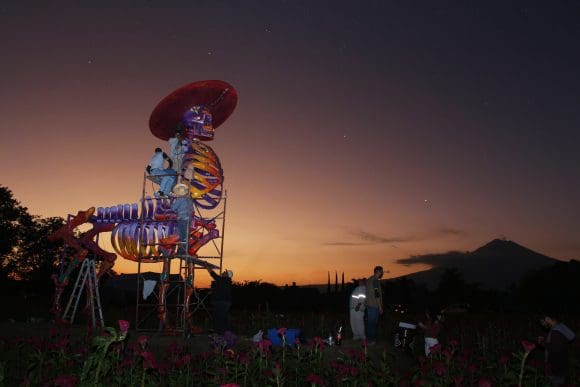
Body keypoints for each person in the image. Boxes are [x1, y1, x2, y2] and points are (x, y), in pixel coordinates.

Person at [537, 314, 576, 386]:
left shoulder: (555, 332)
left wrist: (542, 343)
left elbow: (555, 350)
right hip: (562, 365)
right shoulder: (560, 328)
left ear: (548, 319)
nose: (542, 325)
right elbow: (557, 345)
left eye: (542, 322)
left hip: (556, 367)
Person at [206, 267, 233, 334]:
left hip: (222, 302)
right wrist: (213, 292)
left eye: (225, 272)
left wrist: (207, 266)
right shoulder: (226, 281)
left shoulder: (224, 279)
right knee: (222, 318)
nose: (223, 272)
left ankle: (219, 333)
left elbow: (213, 274)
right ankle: (224, 333)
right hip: (224, 302)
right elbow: (221, 290)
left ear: (227, 275)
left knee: (219, 318)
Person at [170, 183, 193, 256]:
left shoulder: (179, 199)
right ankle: (184, 250)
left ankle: (181, 251)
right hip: (188, 219)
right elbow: (192, 210)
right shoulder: (189, 200)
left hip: (182, 219)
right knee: (185, 236)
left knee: (182, 235)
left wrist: (173, 201)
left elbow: (173, 208)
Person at [364, 266, 384, 344]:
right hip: (374, 305)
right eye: (381, 271)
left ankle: (369, 339)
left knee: (370, 323)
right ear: (378, 272)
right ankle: (371, 340)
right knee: (372, 323)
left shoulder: (369, 280)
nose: (382, 273)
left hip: (369, 304)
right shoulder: (375, 281)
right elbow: (377, 294)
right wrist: (380, 307)